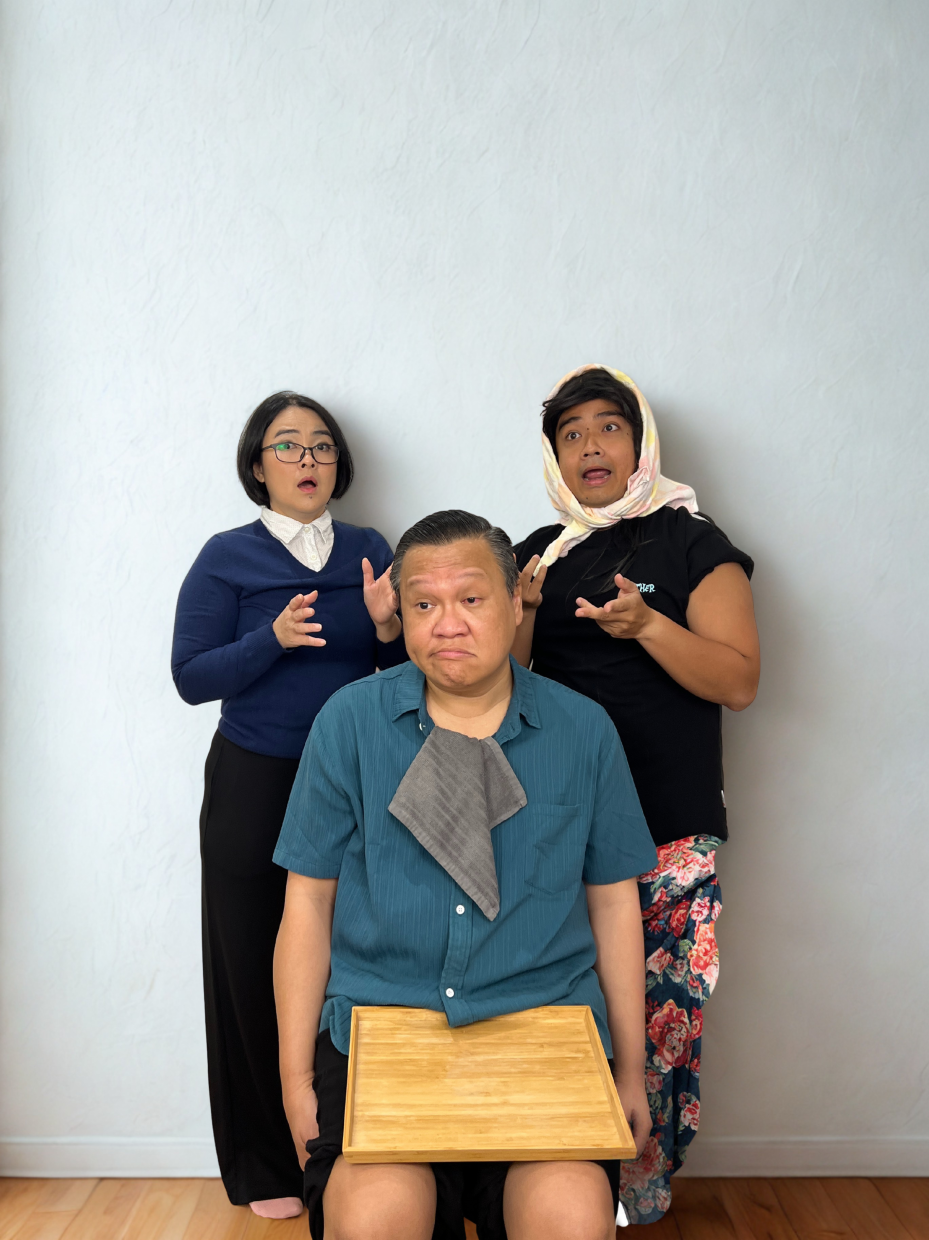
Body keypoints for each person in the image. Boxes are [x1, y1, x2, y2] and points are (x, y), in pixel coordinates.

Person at [272, 509, 659, 1240]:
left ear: (515, 603)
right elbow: (306, 904)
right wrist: (295, 1081)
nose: (446, 623)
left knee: (572, 1221)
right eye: (423, 604)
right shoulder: (347, 723)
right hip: (380, 1030)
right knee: (373, 1219)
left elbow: (613, 906)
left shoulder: (582, 729)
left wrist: (630, 1073)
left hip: (543, 1028)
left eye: (471, 599)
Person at [512, 365, 760, 1224]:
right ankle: (553, 1192)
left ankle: (636, 1197)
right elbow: (487, 695)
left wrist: (648, 625)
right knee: (552, 1014)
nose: (590, 445)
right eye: (570, 432)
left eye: (607, 427)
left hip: (667, 829)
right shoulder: (534, 554)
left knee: (655, 1028)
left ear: (640, 442)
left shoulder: (693, 540)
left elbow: (737, 680)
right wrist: (515, 624)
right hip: (551, 831)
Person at [171, 390, 405, 1218]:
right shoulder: (225, 557)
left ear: (339, 465)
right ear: (257, 465)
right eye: (287, 446)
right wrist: (267, 641)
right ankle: (266, 1164)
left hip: (352, 783)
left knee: (352, 964)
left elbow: (407, 677)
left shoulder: (371, 550)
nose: (307, 461)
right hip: (252, 782)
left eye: (320, 447)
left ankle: (346, 1147)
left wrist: (385, 631)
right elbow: (191, 677)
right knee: (247, 963)